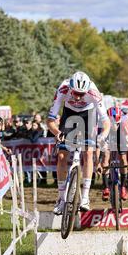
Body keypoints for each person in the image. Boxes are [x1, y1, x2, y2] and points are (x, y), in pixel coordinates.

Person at [46, 71, 111, 214]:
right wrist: (58, 133)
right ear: (70, 88)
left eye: (82, 94)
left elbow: (106, 122)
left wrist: (102, 135)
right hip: (69, 114)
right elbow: (50, 120)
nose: (77, 97)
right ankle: (62, 199)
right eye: (75, 93)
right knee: (62, 156)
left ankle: (86, 197)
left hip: (88, 115)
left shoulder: (94, 93)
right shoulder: (63, 89)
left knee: (88, 152)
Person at [100, 106, 128, 202]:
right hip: (107, 137)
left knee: (123, 159)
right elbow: (97, 147)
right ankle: (106, 187)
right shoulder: (102, 124)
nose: (114, 125)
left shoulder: (124, 124)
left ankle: (123, 187)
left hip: (121, 138)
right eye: (112, 123)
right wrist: (97, 163)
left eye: (116, 123)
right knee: (105, 157)